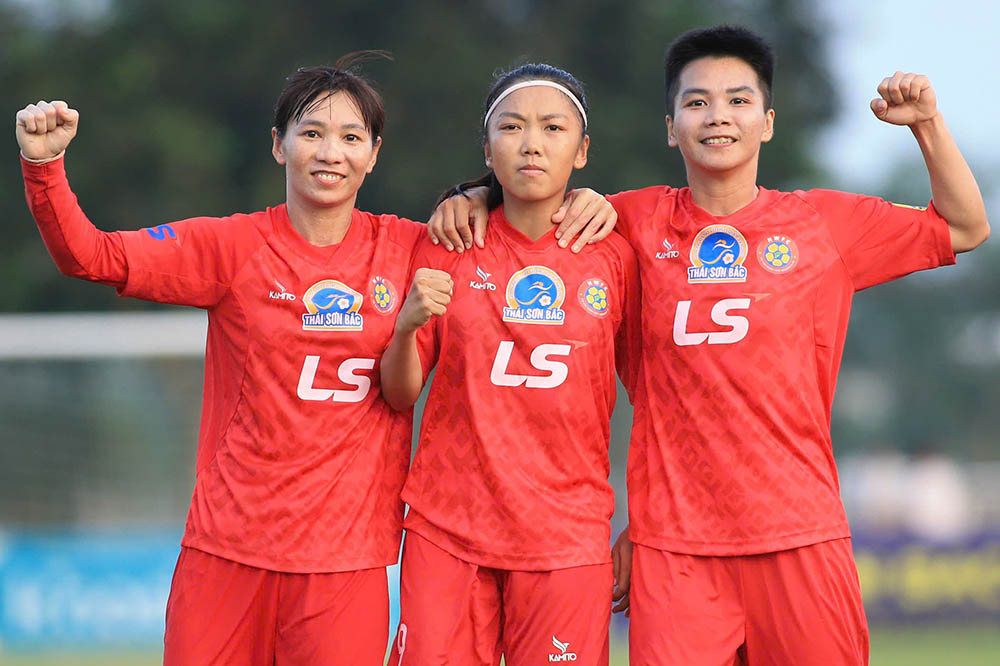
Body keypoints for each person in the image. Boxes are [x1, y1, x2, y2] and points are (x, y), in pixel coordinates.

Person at [430, 24, 990, 666]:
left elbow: (966, 226)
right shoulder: (629, 223)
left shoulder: (822, 223)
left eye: (737, 100)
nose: (717, 116)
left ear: (767, 122)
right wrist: (472, 193)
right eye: (696, 103)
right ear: (671, 127)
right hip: (677, 548)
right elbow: (533, 200)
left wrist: (927, 125)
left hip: (800, 534)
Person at [16, 56, 464, 666]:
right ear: (278, 147)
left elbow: (407, 389)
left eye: (351, 137)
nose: (331, 152)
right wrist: (44, 168)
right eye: (311, 133)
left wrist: (485, 197)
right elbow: (93, 256)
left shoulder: (411, 247)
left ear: (374, 154)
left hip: (345, 566)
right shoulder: (234, 248)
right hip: (226, 554)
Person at [380, 63, 640, 666]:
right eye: (512, 126)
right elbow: (398, 396)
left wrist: (642, 519)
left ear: (582, 152)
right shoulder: (447, 243)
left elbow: (657, 398)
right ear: (487, 148)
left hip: (566, 540)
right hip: (447, 531)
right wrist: (406, 325)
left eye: (553, 127)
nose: (531, 142)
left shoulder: (616, 257)